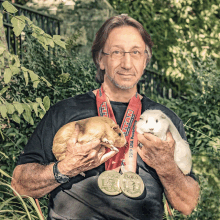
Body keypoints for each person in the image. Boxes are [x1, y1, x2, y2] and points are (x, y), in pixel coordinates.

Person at [11, 14, 199, 220]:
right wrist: (65, 168)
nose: (127, 64)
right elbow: (20, 185)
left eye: (136, 52)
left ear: (145, 60)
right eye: (117, 52)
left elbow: (187, 204)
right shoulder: (63, 112)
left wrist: (166, 166)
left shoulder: (164, 120)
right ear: (100, 59)